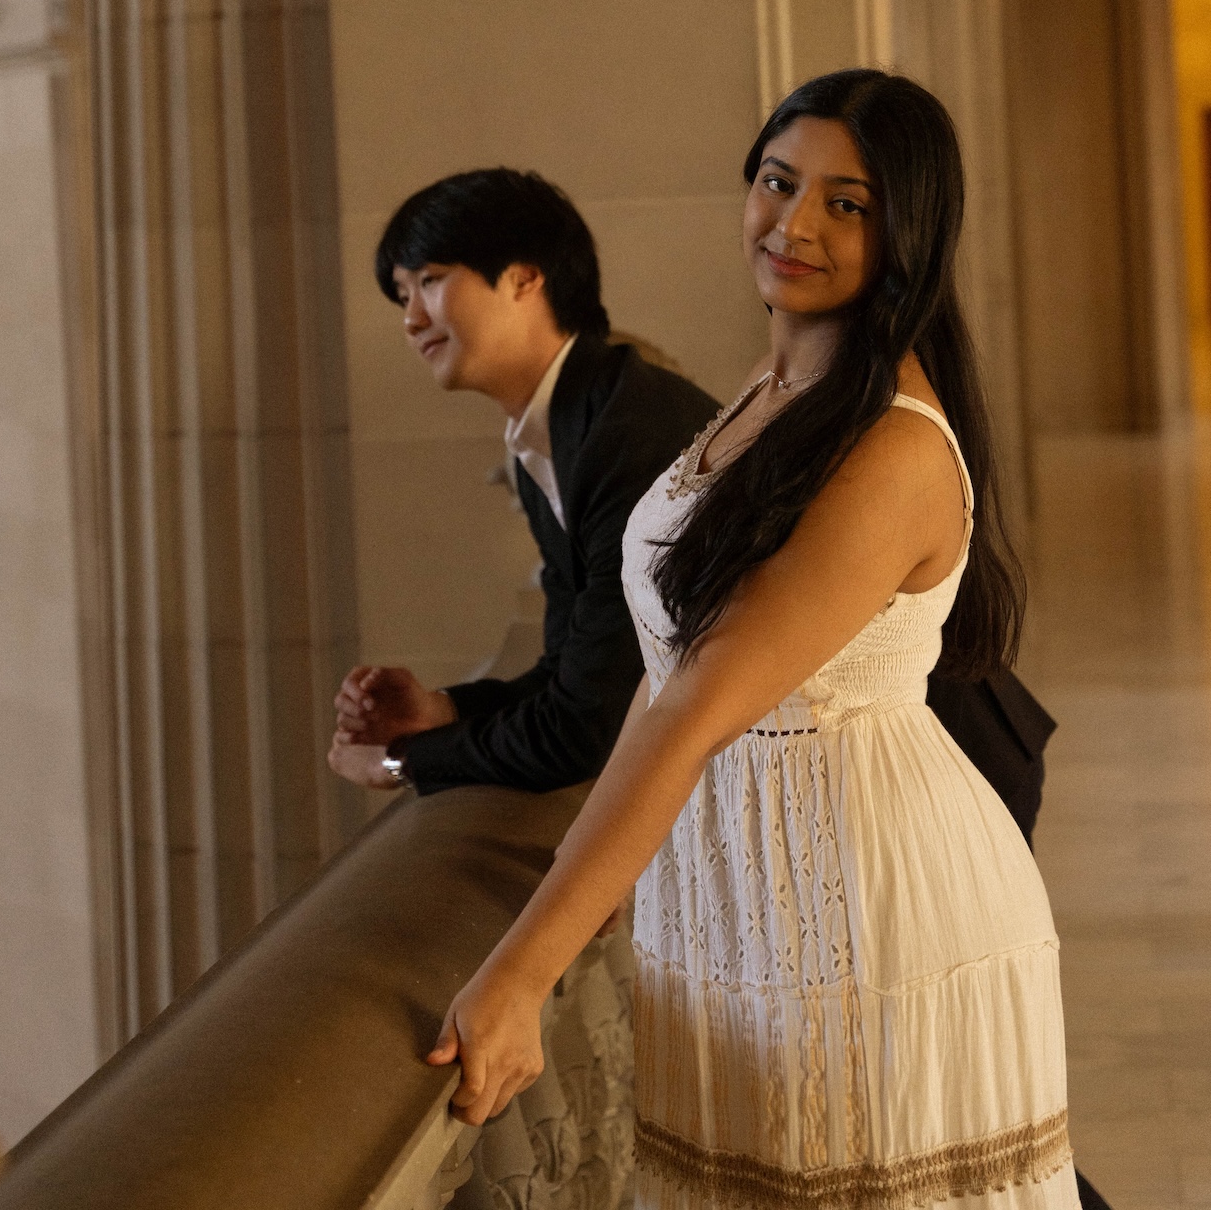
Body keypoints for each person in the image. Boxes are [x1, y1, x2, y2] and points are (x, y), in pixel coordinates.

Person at [425, 70, 1082, 1207]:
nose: (794, 225)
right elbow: (664, 656)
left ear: (908, 231)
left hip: (866, 903)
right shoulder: (771, 389)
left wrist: (520, 971)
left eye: (847, 204)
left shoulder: (888, 448)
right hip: (737, 889)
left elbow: (693, 704)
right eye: (778, 184)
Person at [327, 167, 719, 796]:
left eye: (429, 282)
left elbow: (587, 725)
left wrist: (406, 762)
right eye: (403, 295)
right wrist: (443, 710)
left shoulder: (628, 428)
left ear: (524, 277)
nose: (411, 319)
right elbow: (573, 671)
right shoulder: (552, 432)